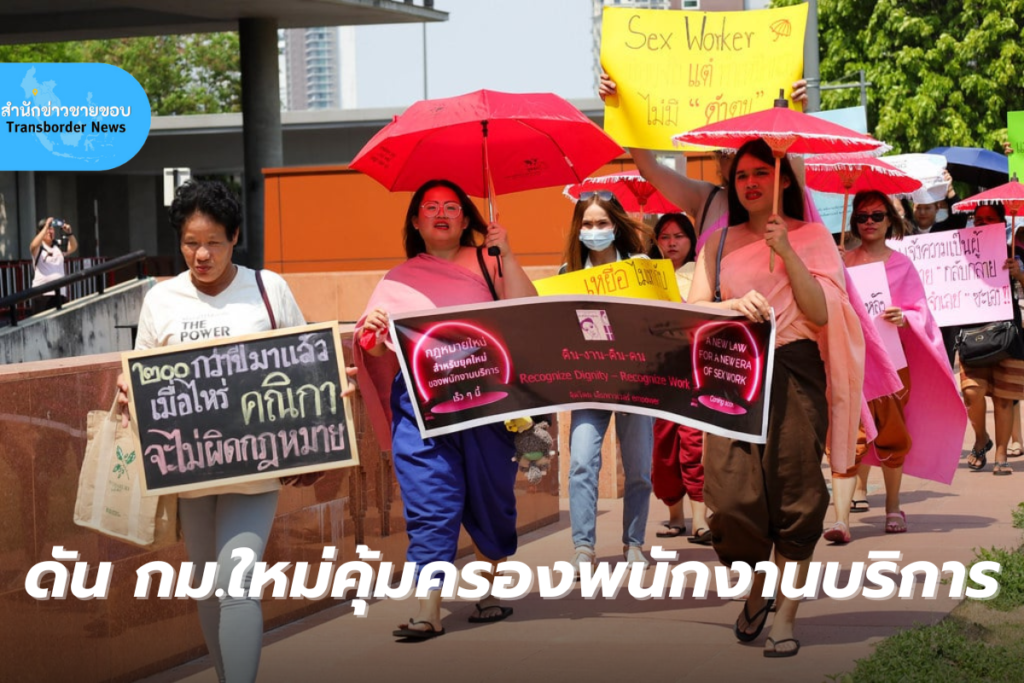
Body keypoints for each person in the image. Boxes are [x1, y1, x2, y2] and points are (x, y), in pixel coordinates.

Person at [115, 180, 314, 683]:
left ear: (235, 237)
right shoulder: (161, 299)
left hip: (256, 470)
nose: (201, 255)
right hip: (190, 472)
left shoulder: (269, 289)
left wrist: (325, 414)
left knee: (238, 586)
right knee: (209, 588)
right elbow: (143, 372)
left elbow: (305, 366)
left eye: (213, 243)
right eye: (190, 243)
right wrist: (128, 388)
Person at [686, 139, 865, 658]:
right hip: (734, 376)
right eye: (741, 175)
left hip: (793, 369)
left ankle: (785, 616)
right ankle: (757, 585)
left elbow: (822, 312)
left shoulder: (812, 236)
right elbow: (695, 311)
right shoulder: (717, 243)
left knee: (796, 494)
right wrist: (731, 307)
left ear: (783, 178)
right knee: (730, 500)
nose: (750, 183)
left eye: (761, 172)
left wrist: (787, 251)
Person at [355, 179, 537, 640]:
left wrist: (506, 252)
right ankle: (428, 609)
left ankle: (488, 592)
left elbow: (528, 310)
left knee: (491, 502)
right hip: (421, 409)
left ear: (466, 218)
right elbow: (375, 349)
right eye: (430, 207)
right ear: (415, 221)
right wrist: (374, 330)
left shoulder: (489, 261)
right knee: (429, 501)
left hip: (486, 407)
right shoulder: (397, 279)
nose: (441, 214)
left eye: (452, 207)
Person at [825, 191, 965, 543]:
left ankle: (892, 506)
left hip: (891, 363)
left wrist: (904, 317)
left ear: (890, 220)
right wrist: (831, 272)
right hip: (849, 362)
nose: (869, 222)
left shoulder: (903, 264)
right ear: (853, 222)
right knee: (847, 435)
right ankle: (841, 520)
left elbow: (921, 312)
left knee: (891, 433)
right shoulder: (841, 262)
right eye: (862, 217)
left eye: (877, 215)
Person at [597, 73, 808, 253]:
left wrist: (794, 108)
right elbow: (649, 169)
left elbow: (793, 155)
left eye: (758, 169)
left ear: (784, 180)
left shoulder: (785, 191)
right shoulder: (706, 199)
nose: (739, 165)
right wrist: (621, 105)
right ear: (717, 162)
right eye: (725, 155)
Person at [560, 192, 655, 572]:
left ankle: (634, 543)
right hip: (590, 383)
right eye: (587, 224)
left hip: (636, 384)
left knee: (639, 469)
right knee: (582, 463)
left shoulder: (640, 267)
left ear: (616, 225)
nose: (594, 230)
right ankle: (583, 548)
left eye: (602, 223)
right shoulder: (567, 274)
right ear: (577, 228)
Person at [647, 213, 709, 543]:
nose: (672, 243)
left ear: (691, 239)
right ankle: (675, 517)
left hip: (695, 370)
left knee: (693, 443)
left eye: (679, 236)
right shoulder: (645, 275)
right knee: (665, 447)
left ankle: (700, 519)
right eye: (665, 237)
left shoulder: (703, 272)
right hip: (659, 373)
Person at [963, 203, 1022, 476]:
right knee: (971, 392)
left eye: (989, 219)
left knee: (1004, 398)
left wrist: (1018, 273)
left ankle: (1001, 455)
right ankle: (980, 439)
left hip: (1008, 335)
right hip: (972, 334)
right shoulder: (961, 254)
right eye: (978, 219)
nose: (982, 223)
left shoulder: (1015, 253)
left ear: (1001, 223)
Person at [29, 216, 77, 314]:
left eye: (52, 229)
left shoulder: (58, 246)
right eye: (47, 229)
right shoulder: (39, 247)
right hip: (43, 294)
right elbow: (33, 246)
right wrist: (46, 226)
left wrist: (69, 233)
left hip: (60, 293)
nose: (50, 231)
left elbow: (73, 247)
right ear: (40, 232)